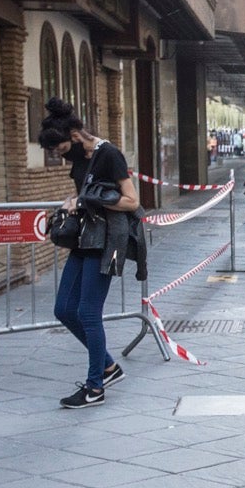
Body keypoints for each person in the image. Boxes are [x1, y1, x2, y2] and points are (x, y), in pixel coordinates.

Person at [39, 97, 143, 409]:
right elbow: (87, 190)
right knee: (63, 309)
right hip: (84, 239)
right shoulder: (78, 158)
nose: (61, 158)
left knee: (87, 312)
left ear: (73, 137)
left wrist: (87, 202)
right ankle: (108, 367)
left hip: (107, 241)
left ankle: (95, 387)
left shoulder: (108, 154)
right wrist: (73, 200)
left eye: (60, 151)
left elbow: (131, 201)